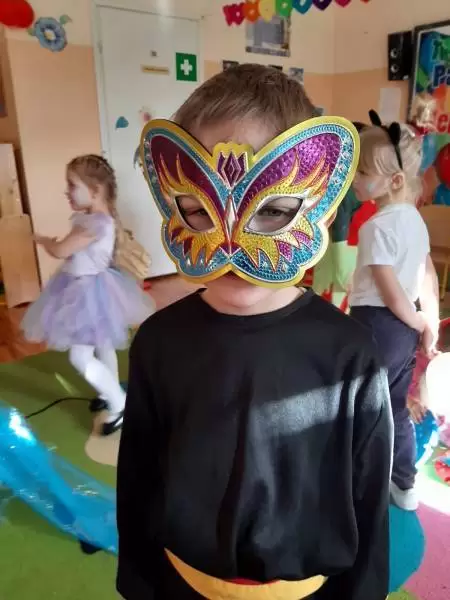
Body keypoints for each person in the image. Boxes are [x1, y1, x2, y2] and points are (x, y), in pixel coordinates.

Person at [117, 65, 393, 600]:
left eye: (275, 211)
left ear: (318, 207)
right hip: (181, 583)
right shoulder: (158, 342)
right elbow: (138, 478)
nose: (230, 244)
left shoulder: (351, 354)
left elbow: (368, 494)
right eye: (197, 209)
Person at [21, 154, 154, 436]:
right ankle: (109, 391)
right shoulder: (94, 219)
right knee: (103, 344)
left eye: (72, 185)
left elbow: (61, 251)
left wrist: (45, 241)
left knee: (80, 357)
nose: (67, 192)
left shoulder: (96, 224)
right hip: (86, 289)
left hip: (89, 293)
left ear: (95, 190)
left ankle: (119, 404)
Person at [350, 111, 440, 511]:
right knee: (396, 408)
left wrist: (419, 320)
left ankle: (360, 484)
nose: (355, 179)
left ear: (396, 181)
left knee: (365, 409)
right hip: (402, 330)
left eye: (363, 172)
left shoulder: (376, 227)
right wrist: (427, 323)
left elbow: (390, 294)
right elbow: (426, 276)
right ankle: (405, 485)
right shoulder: (416, 221)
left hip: (377, 324)